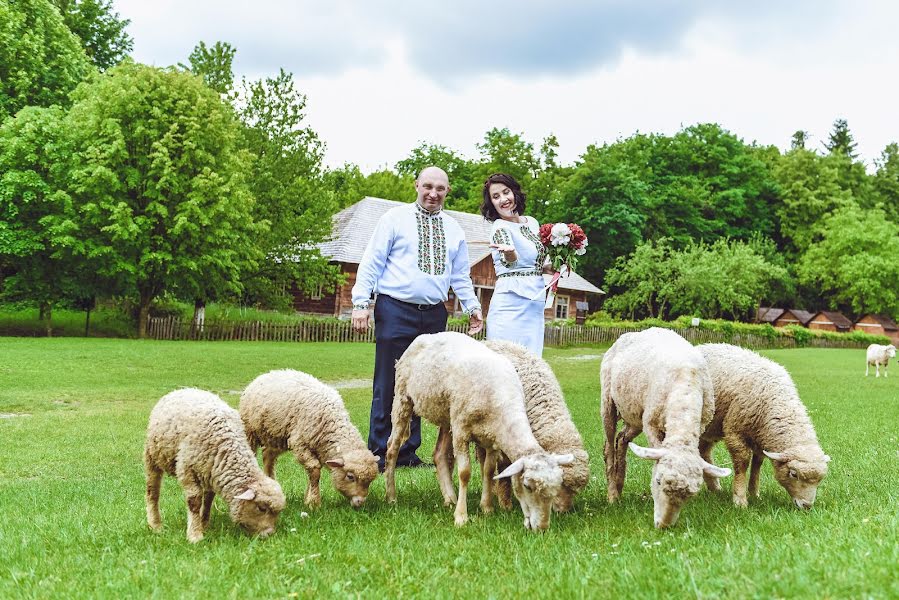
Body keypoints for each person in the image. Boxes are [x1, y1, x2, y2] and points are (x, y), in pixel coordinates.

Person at [351, 166, 483, 471]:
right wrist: (360, 303)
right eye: (427, 186)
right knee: (389, 382)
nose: (433, 194)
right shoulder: (393, 220)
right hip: (395, 309)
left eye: (440, 188)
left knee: (423, 387)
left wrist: (473, 306)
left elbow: (460, 275)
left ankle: (409, 452)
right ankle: (382, 451)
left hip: (434, 315)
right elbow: (371, 261)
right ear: (416, 186)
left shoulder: (454, 229)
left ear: (448, 191)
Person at [481, 172, 550, 356]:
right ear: (492, 203)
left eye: (506, 192)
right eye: (496, 197)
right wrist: (510, 253)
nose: (503, 199)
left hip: (535, 300)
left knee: (533, 361)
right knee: (507, 362)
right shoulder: (499, 227)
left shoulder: (533, 223)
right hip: (510, 304)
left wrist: (554, 266)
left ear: (515, 193)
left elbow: (535, 263)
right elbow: (510, 262)